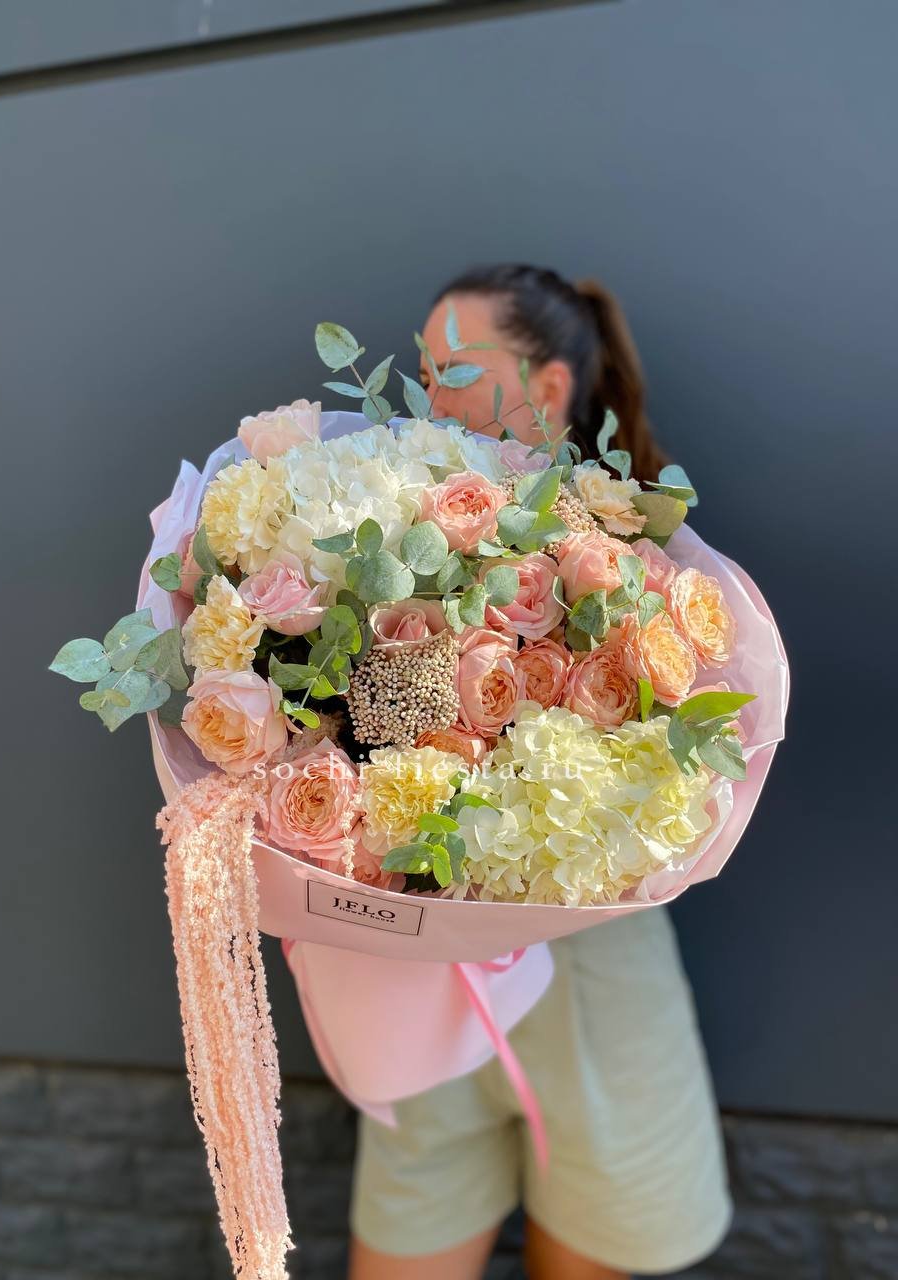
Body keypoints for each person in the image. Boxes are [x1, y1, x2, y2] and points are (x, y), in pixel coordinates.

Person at [346, 264, 733, 1280]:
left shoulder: (639, 564)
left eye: (454, 370)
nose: (427, 395)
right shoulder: (382, 540)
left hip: (592, 986)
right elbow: (369, 740)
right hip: (427, 986)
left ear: (549, 388)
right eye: (422, 369)